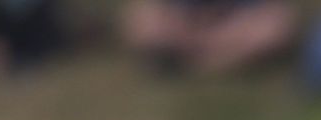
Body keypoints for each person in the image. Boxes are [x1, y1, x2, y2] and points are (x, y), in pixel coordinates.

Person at [120, 0, 296, 76]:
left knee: (275, 26)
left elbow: (267, 11)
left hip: (237, 25)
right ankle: (221, 63)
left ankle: (198, 63)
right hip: (188, 27)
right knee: (142, 21)